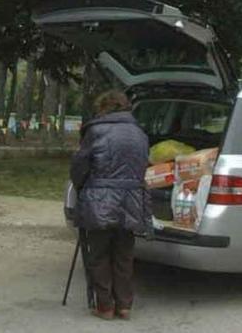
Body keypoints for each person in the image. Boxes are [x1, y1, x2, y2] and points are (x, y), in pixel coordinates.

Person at [71, 90, 151, 320]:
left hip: (99, 199)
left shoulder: (95, 131)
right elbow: (143, 165)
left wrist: (80, 187)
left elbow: (80, 166)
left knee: (98, 254)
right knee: (124, 254)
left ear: (103, 108)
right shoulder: (140, 133)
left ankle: (105, 306)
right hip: (131, 199)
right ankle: (124, 305)